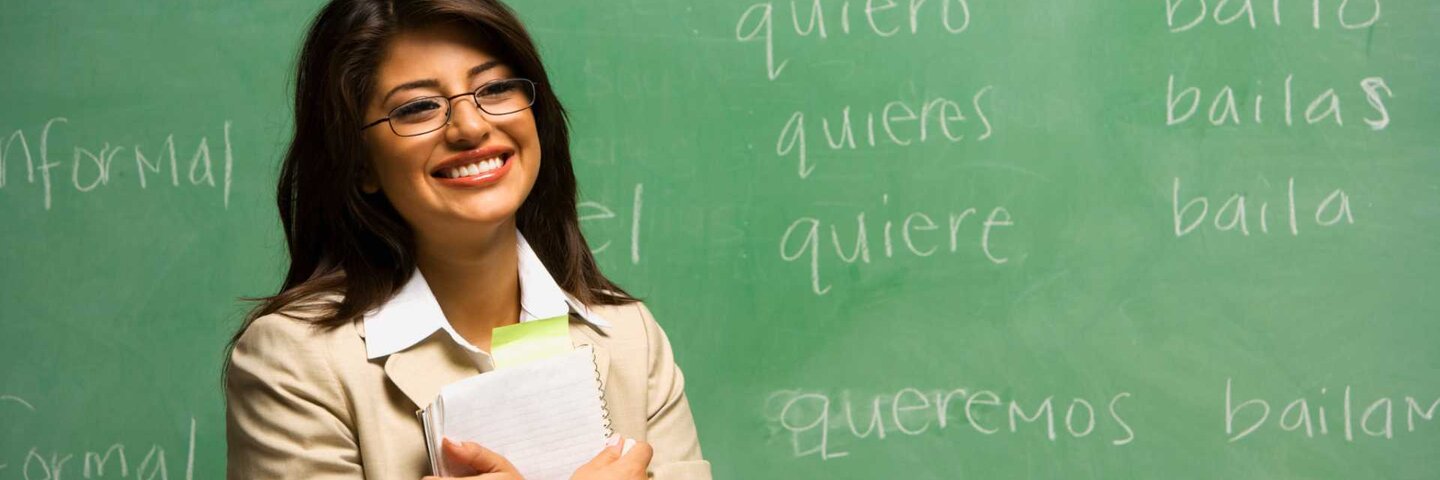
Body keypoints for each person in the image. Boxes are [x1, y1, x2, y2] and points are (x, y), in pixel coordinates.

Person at [222, 0, 711, 478]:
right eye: (417, 108)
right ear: (360, 161)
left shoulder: (630, 337)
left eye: (495, 88)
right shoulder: (293, 364)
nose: (472, 127)